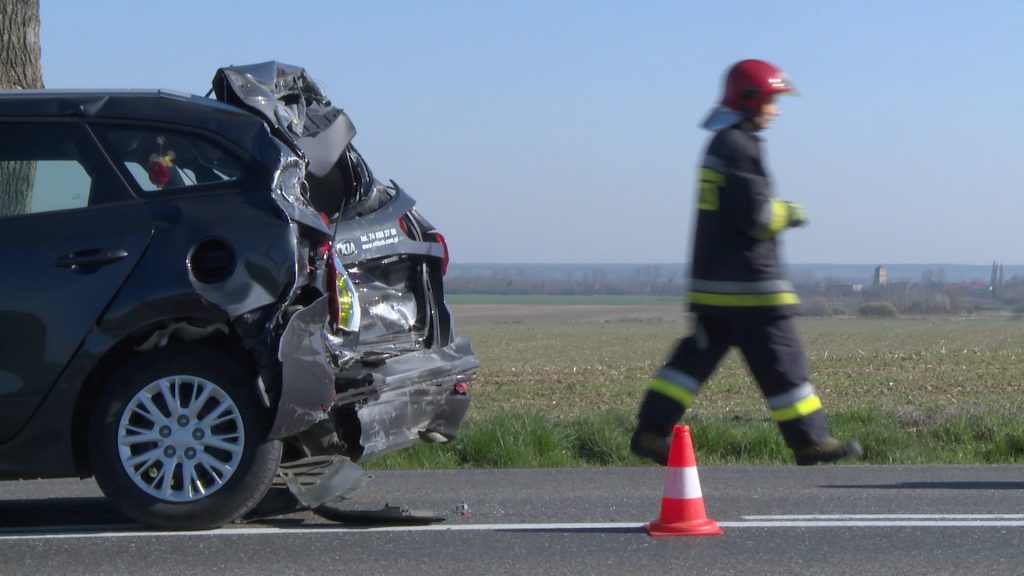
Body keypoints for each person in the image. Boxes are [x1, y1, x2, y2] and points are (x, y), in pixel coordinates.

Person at [630, 59, 862, 466]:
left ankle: (650, 432)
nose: (777, 109)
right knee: (784, 365)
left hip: (714, 286)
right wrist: (789, 212)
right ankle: (811, 442)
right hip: (751, 288)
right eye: (773, 100)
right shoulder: (739, 145)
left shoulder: (721, 143)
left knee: (690, 364)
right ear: (751, 99)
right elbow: (755, 217)